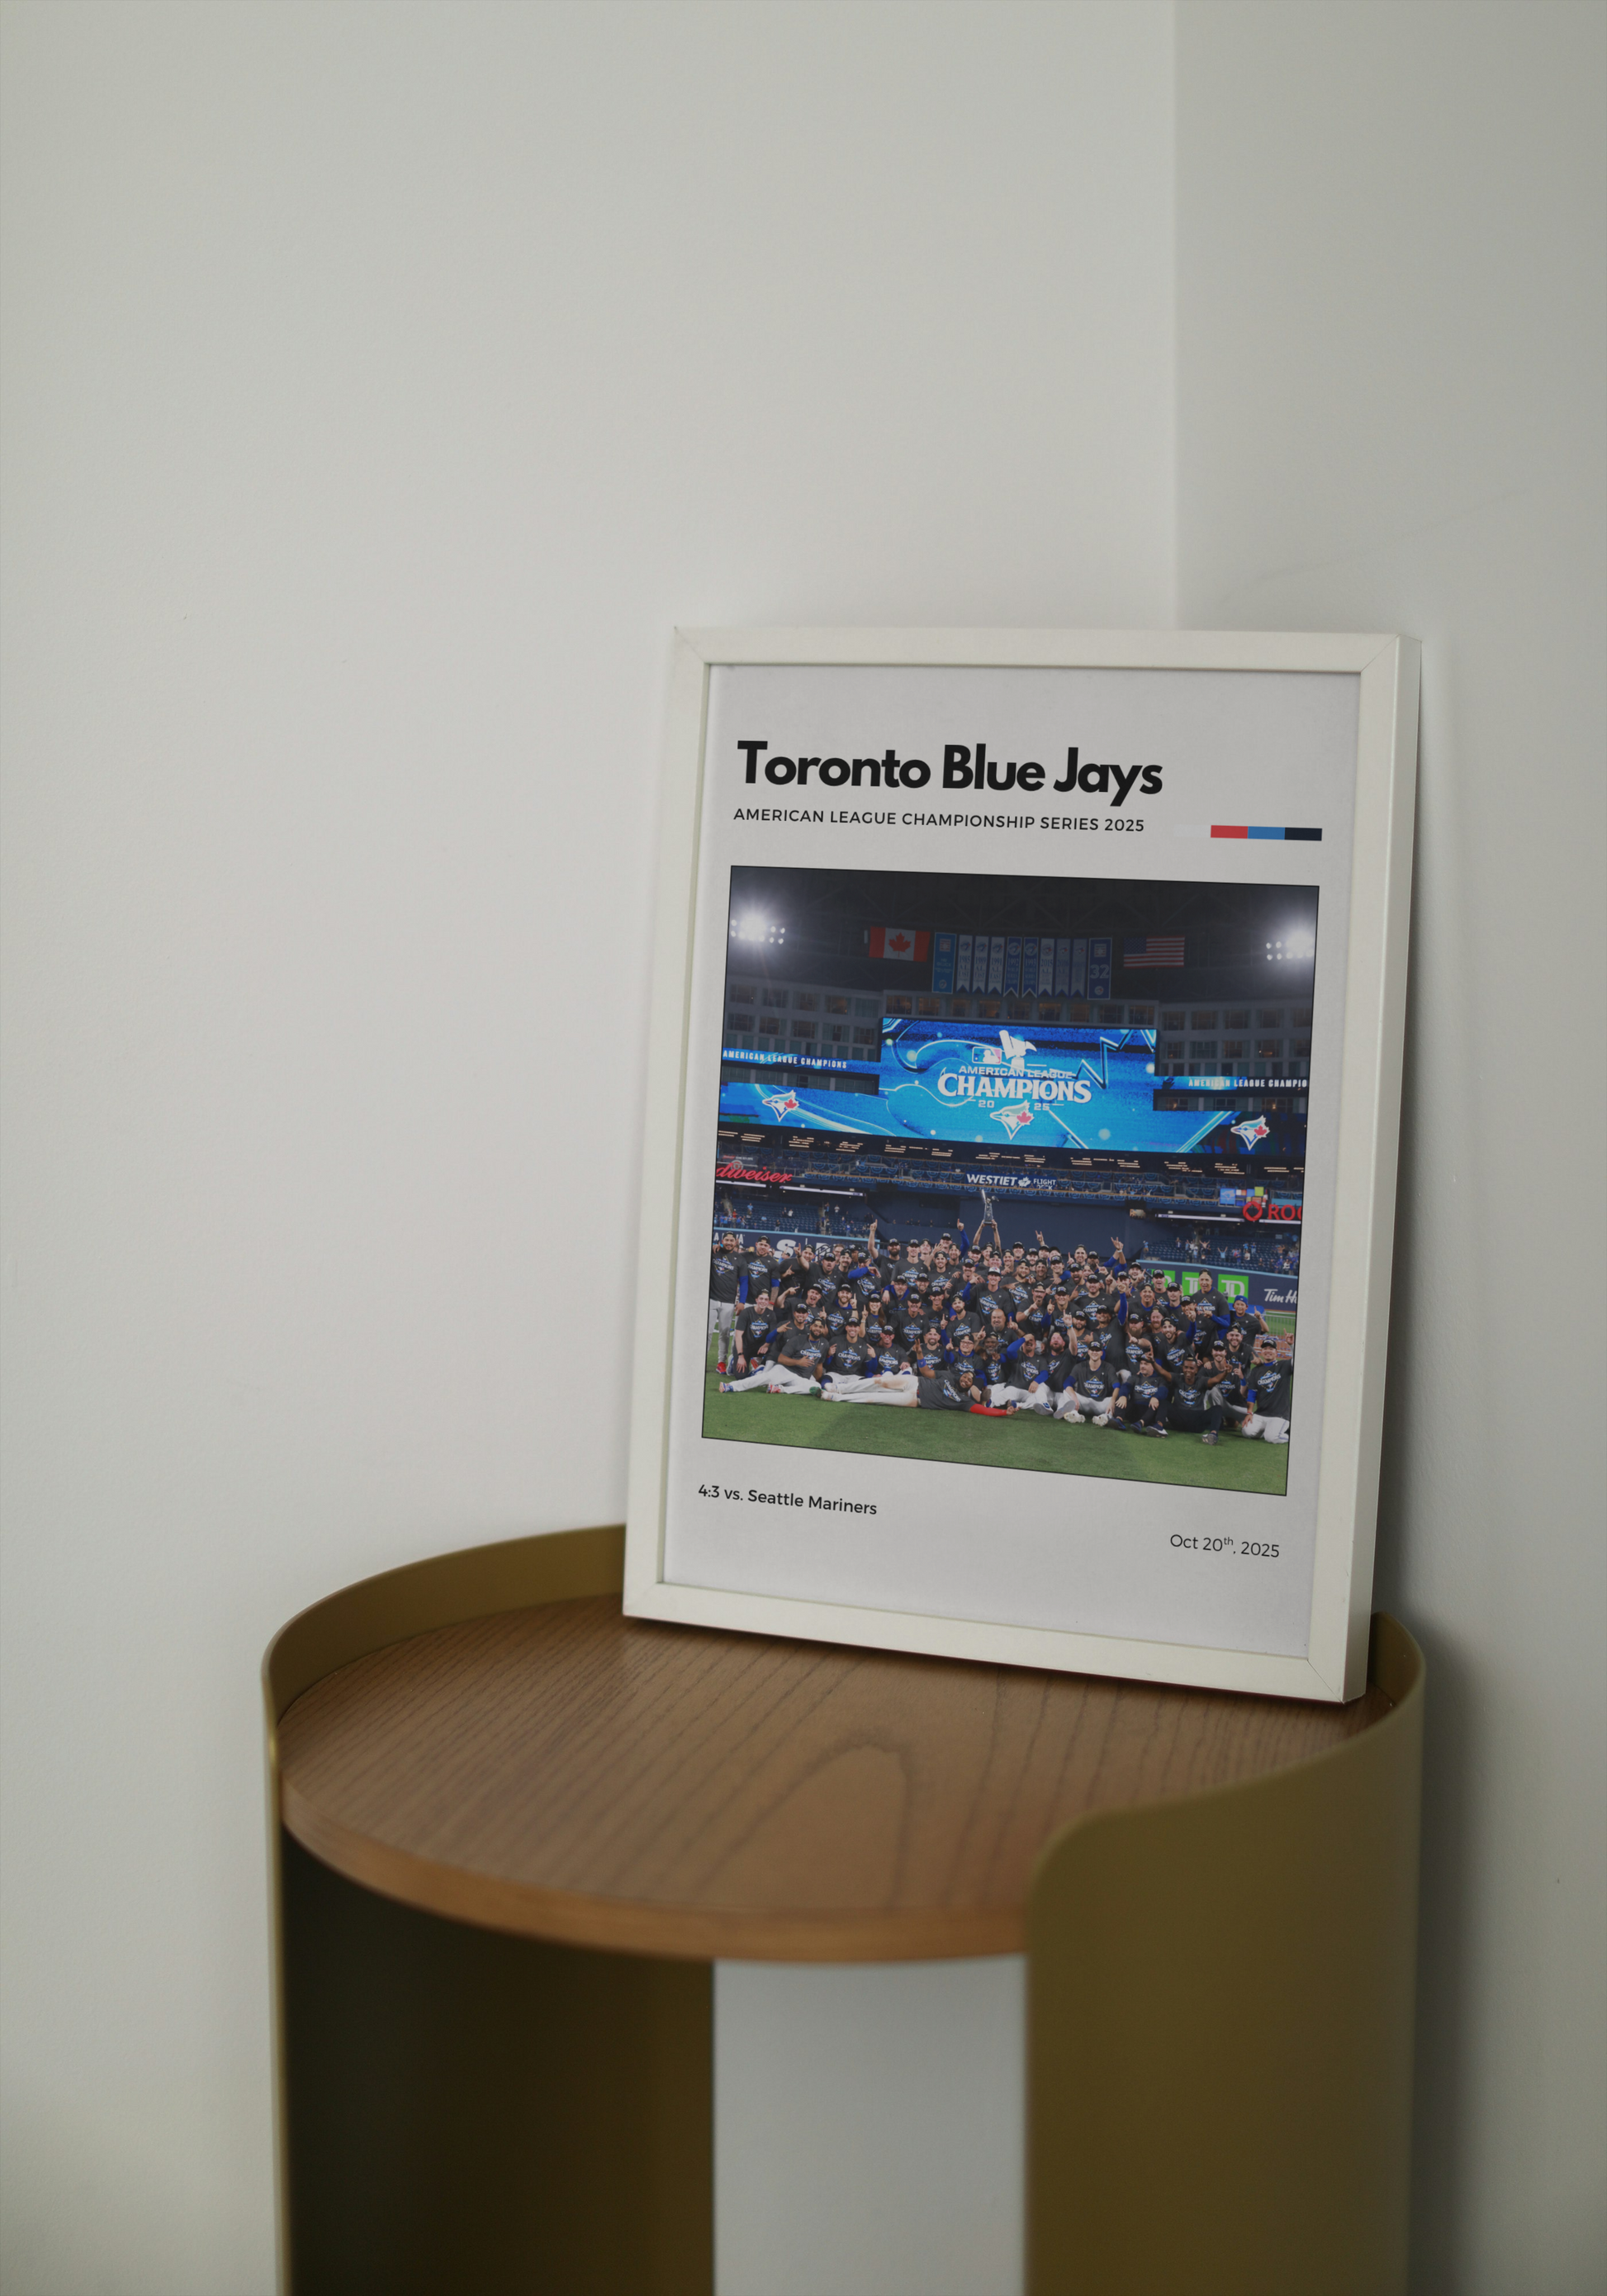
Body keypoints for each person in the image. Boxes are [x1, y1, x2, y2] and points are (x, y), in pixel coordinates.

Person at [1240, 1337, 1293, 1443]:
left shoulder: (1284, 1366)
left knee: (1271, 1438)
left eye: (1271, 1349)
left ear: (1276, 1352)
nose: (1268, 1351)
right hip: (1261, 1414)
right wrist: (1249, 1412)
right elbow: (1252, 1393)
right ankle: (1269, 1429)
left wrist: (1292, 1345)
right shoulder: (1256, 1371)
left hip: (1280, 1414)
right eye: (1265, 1349)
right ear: (1261, 1352)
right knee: (1246, 1431)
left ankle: (1291, 1434)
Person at [708, 1231, 742, 1369]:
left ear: (736, 1242)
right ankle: (701, 1359)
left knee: (725, 1332)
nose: (729, 1242)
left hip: (728, 1301)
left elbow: (744, 1282)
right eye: (726, 1240)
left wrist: (742, 1301)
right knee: (708, 1332)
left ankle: (721, 1361)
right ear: (722, 1241)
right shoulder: (714, 1252)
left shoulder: (739, 1259)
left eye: (731, 1240)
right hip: (710, 1298)